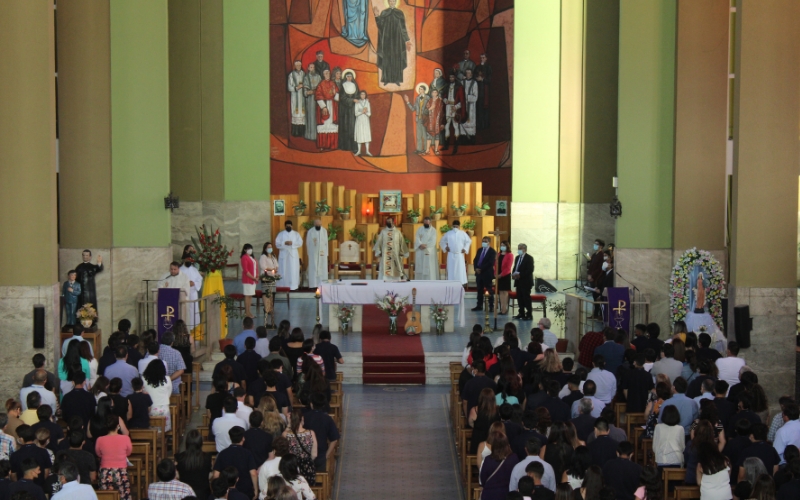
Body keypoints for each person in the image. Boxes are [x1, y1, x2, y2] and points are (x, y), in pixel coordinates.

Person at [213, 426, 259, 499]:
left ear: (230, 438)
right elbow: (253, 473)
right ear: (243, 438)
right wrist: (256, 490)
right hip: (245, 492)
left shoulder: (222, 454)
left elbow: (215, 475)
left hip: (226, 492)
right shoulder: (247, 454)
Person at [372, 0, 411, 86]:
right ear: (388, 2)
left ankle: (397, 79)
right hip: (387, 41)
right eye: (391, 1)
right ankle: (386, 79)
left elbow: (403, 28)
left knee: (397, 59)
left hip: (397, 40)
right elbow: (380, 27)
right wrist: (377, 16)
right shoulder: (384, 13)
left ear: (395, 2)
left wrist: (407, 40)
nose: (392, 2)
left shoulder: (400, 13)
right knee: (387, 59)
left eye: (393, 1)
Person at [95, 414, 133, 499]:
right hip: (121, 471)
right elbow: (129, 452)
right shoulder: (125, 438)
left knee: (106, 497)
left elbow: (98, 454)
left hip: (105, 472)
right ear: (118, 426)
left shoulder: (100, 439)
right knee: (124, 496)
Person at [282, 408, 318, 485]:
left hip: (292, 467)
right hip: (307, 467)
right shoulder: (311, 433)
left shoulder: (286, 435)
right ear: (302, 418)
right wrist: (306, 460)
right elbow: (314, 455)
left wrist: (288, 424)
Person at [479, 432, 518, 500]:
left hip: (489, 494)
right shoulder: (514, 458)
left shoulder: (488, 460)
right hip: (506, 494)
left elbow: (483, 479)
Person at [141, 359, 172, 431]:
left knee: (151, 429)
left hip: (149, 408)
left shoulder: (144, 378)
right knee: (163, 429)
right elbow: (169, 393)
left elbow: (143, 392)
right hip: (163, 408)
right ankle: (162, 438)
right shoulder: (167, 379)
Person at [439, 220, 472, 285]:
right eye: (454, 226)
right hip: (451, 254)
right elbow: (442, 241)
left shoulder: (462, 233)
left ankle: (460, 283)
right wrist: (445, 247)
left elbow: (469, 241)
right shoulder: (448, 233)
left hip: (459, 254)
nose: (455, 228)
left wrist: (465, 249)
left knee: (459, 270)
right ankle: (451, 283)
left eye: (456, 226)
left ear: (459, 227)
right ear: (452, 226)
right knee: (451, 270)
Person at [314, 69, 339, 150]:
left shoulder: (333, 83)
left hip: (332, 106)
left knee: (332, 125)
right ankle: (323, 145)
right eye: (325, 73)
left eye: (328, 73)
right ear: (323, 75)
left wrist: (335, 93)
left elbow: (338, 97)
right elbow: (318, 95)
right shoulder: (321, 84)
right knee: (324, 125)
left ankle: (332, 145)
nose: (327, 74)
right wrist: (323, 107)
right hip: (324, 106)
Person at [180, 245, 203, 330]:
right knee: (185, 312)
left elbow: (199, 279)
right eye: (187, 259)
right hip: (184, 294)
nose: (189, 260)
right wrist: (187, 283)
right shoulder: (180, 270)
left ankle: (195, 329)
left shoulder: (194, 270)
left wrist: (194, 283)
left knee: (193, 312)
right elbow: (178, 281)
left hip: (193, 294)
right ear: (184, 259)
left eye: (190, 259)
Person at [441, 72, 464, 153]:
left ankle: (455, 147)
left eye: (452, 77)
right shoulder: (447, 86)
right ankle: (446, 145)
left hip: (455, 109)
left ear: (455, 77)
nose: (451, 79)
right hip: (447, 108)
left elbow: (462, 100)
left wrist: (456, 107)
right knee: (446, 126)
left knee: (455, 126)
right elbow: (444, 96)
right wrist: (445, 100)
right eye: (450, 77)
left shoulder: (459, 87)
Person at [275, 220, 303, 290]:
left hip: (293, 255)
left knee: (293, 269)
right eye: (287, 226)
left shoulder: (296, 234)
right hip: (284, 255)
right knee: (283, 269)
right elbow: (277, 243)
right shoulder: (281, 234)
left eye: (289, 225)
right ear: (285, 226)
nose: (288, 227)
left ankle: (293, 286)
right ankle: (283, 286)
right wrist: (284, 243)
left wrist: (292, 243)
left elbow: (300, 242)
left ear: (292, 226)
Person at [405, 83, 431, 154]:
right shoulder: (417, 98)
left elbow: (429, 108)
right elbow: (413, 109)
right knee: (418, 135)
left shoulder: (428, 98)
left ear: (424, 90)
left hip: (425, 118)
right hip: (418, 119)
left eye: (421, 89)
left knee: (425, 135)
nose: (420, 90)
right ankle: (419, 149)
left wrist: (425, 113)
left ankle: (425, 149)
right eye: (419, 89)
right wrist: (408, 102)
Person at [75, 249, 103, 314]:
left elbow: (98, 268)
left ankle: (92, 318)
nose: (85, 257)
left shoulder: (92, 267)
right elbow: (75, 277)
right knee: (81, 305)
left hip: (90, 291)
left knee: (90, 305)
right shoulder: (79, 267)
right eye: (84, 255)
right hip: (81, 290)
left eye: (87, 255)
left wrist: (99, 262)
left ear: (90, 257)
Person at [472, 237, 496, 311]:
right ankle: (479, 305)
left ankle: (491, 306)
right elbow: (475, 260)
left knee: (489, 289)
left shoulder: (492, 251)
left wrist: (481, 269)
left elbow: (490, 262)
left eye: (485, 241)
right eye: (483, 241)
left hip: (487, 273)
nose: (484, 243)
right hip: (478, 273)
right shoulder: (479, 250)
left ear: (489, 242)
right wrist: (476, 268)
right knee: (479, 289)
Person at [512, 244, 535, 320]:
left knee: (526, 298)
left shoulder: (529, 258)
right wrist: (513, 274)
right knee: (519, 298)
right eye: (518, 248)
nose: (519, 250)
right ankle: (521, 313)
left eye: (520, 248)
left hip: (526, 281)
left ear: (525, 249)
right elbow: (515, 267)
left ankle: (529, 314)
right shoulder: (517, 257)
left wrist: (520, 275)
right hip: (518, 281)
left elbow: (530, 270)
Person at [305, 219, 328, 288]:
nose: (318, 226)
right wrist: (309, 253)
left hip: (322, 254)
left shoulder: (324, 231)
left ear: (321, 224)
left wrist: (326, 253)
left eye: (319, 225)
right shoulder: (310, 231)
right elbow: (307, 243)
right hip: (313, 253)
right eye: (316, 225)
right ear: (314, 224)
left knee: (322, 267)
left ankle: (323, 284)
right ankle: (313, 285)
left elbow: (326, 243)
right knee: (313, 268)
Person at [423, 88, 445, 155]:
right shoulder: (429, 101)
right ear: (431, 93)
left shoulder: (440, 101)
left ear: (437, 93)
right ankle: (427, 150)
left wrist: (443, 123)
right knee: (428, 136)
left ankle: (436, 150)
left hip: (437, 122)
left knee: (437, 136)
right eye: (433, 92)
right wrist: (430, 109)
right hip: (430, 121)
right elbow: (425, 111)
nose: (434, 94)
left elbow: (443, 112)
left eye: (435, 92)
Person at [461, 68, 479, 141]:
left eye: (469, 73)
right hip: (463, 106)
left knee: (470, 121)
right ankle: (463, 137)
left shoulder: (474, 83)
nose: (468, 74)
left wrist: (466, 97)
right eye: (466, 73)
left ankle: (471, 138)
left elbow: (475, 97)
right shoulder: (462, 82)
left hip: (471, 107)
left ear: (471, 74)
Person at [496, 241, 513, 315]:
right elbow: (495, 264)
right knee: (500, 292)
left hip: (505, 275)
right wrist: (495, 273)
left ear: (507, 246)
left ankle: (504, 309)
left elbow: (508, 267)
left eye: (503, 245)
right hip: (498, 275)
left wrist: (501, 275)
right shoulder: (498, 254)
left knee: (505, 292)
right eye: (501, 245)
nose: (502, 246)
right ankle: (501, 308)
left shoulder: (510, 255)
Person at [354, 90, 372, 156]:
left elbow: (369, 113)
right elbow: (356, 113)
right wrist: (362, 111)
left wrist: (366, 112)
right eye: (361, 94)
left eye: (364, 94)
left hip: (365, 120)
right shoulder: (357, 102)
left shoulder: (367, 102)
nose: (363, 96)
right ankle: (359, 151)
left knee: (366, 135)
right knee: (360, 134)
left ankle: (367, 150)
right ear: (360, 95)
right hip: (359, 120)